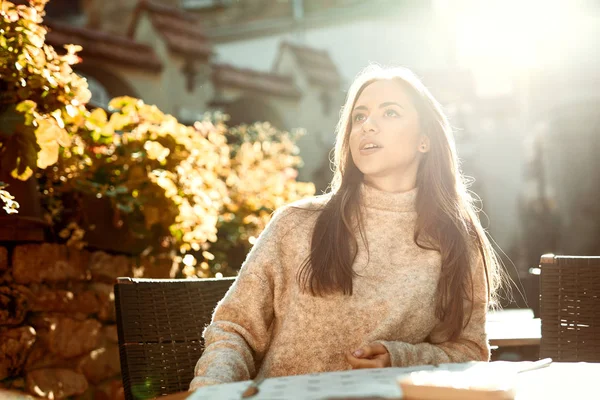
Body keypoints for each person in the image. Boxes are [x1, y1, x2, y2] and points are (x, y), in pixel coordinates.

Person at [189, 64, 504, 389]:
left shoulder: (455, 237)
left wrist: (399, 357)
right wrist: (211, 391)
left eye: (390, 113)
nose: (368, 125)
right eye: (359, 116)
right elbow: (234, 329)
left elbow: (469, 350)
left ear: (424, 141)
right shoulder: (296, 224)